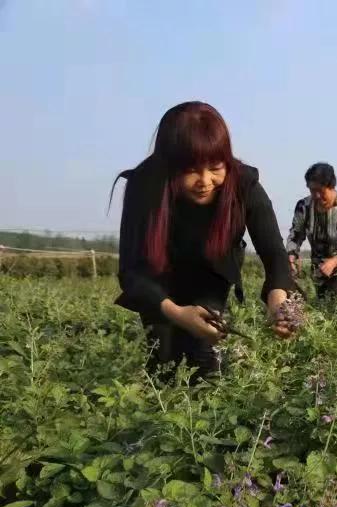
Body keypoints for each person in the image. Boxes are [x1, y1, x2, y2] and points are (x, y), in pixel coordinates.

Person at [112, 101, 298, 381]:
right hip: (158, 280)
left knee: (202, 359)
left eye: (215, 167)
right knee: (162, 360)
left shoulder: (244, 184)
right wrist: (176, 312)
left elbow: (274, 254)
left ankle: (202, 411)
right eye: (190, 170)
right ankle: (162, 416)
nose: (205, 181)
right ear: (170, 166)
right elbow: (131, 272)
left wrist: (278, 304)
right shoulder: (146, 185)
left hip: (212, 274)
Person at [286, 162, 337, 299]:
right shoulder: (303, 206)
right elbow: (295, 235)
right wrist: (291, 257)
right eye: (312, 190)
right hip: (319, 267)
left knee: (333, 297)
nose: (316, 196)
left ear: (331, 187)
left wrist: (334, 261)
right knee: (321, 304)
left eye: (320, 191)